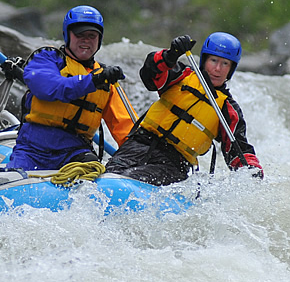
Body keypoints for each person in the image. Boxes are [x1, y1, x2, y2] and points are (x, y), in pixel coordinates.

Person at [106, 32, 262, 185]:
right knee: (110, 175)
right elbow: (150, 76)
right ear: (205, 60)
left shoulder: (227, 108)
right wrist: (170, 56)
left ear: (231, 69)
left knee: (130, 177)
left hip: (173, 163)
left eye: (225, 64)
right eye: (213, 60)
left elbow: (238, 148)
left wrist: (252, 171)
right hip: (139, 144)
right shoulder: (181, 74)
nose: (218, 69)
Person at [1, 5, 134, 171]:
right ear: (67, 35)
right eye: (80, 34)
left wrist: (138, 160)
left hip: (75, 150)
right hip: (33, 148)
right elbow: (50, 88)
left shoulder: (106, 80)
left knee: (93, 173)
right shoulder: (46, 58)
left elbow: (126, 128)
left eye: (92, 35)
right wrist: (94, 80)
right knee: (9, 178)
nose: (86, 40)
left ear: (99, 40)